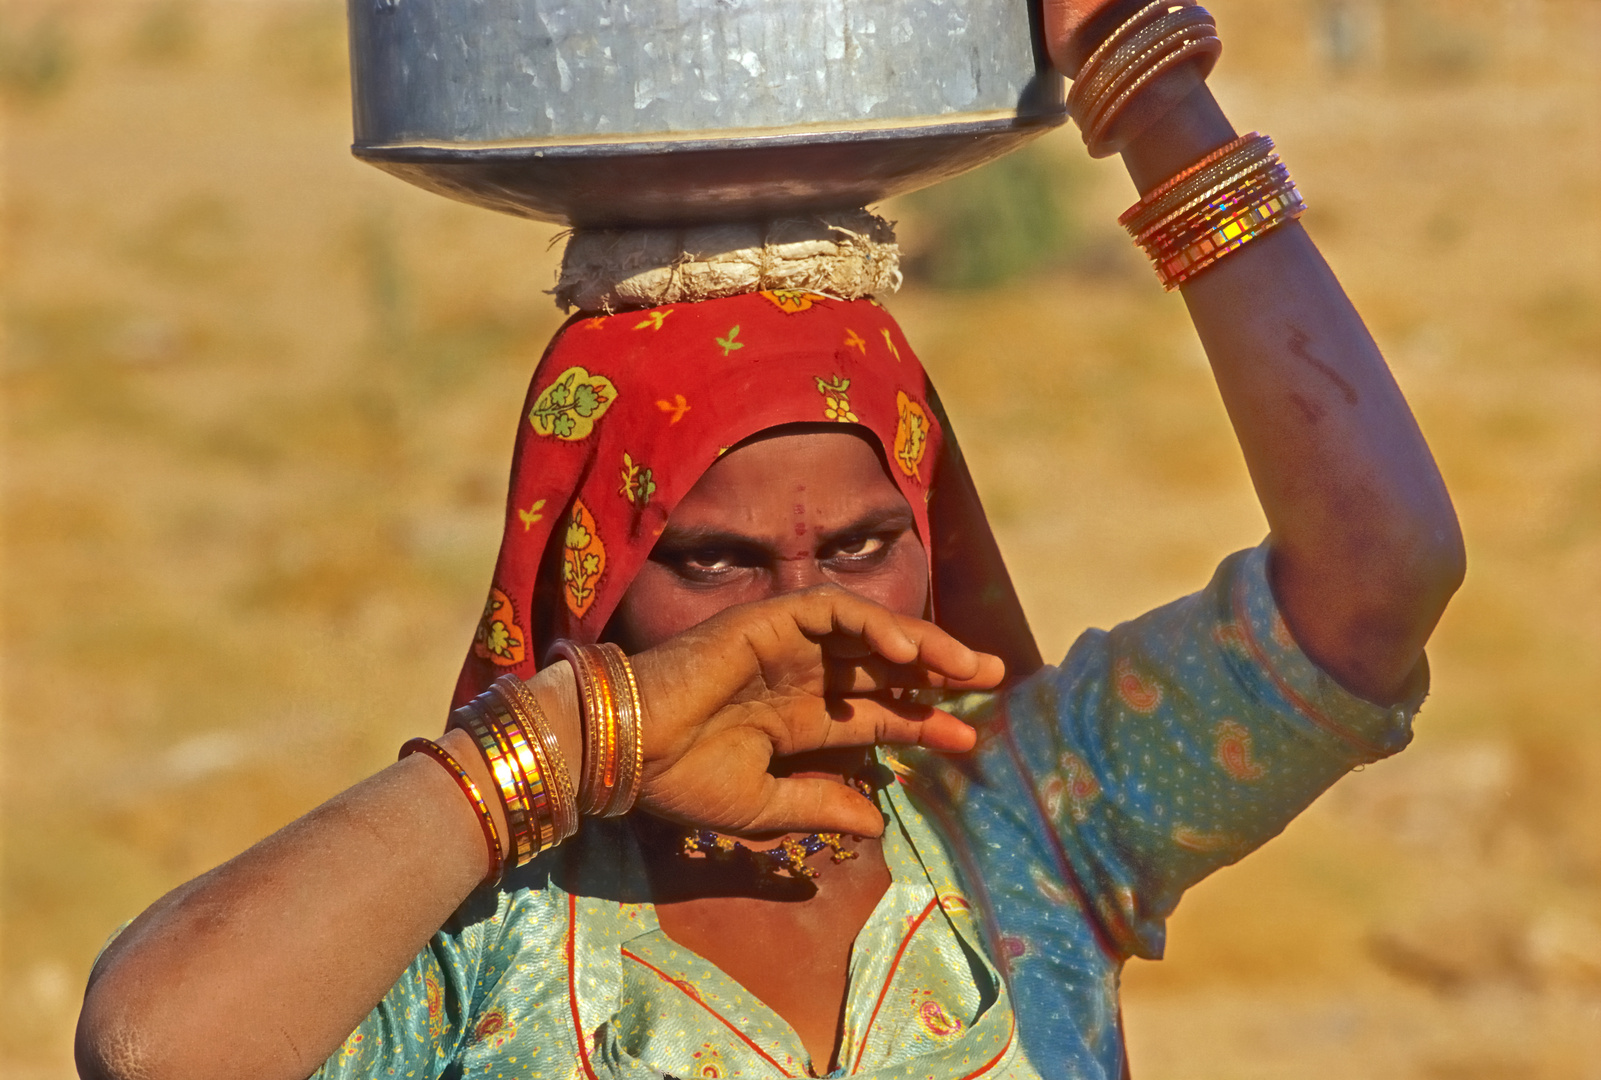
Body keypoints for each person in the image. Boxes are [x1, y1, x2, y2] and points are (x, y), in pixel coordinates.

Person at [74, 2, 1464, 1078]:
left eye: (862, 547)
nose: (796, 623)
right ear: (592, 586)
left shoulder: (1029, 824)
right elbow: (157, 1049)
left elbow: (1376, 577)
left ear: (934, 538)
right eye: (717, 564)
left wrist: (1148, 92)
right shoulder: (483, 929)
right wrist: (557, 750)